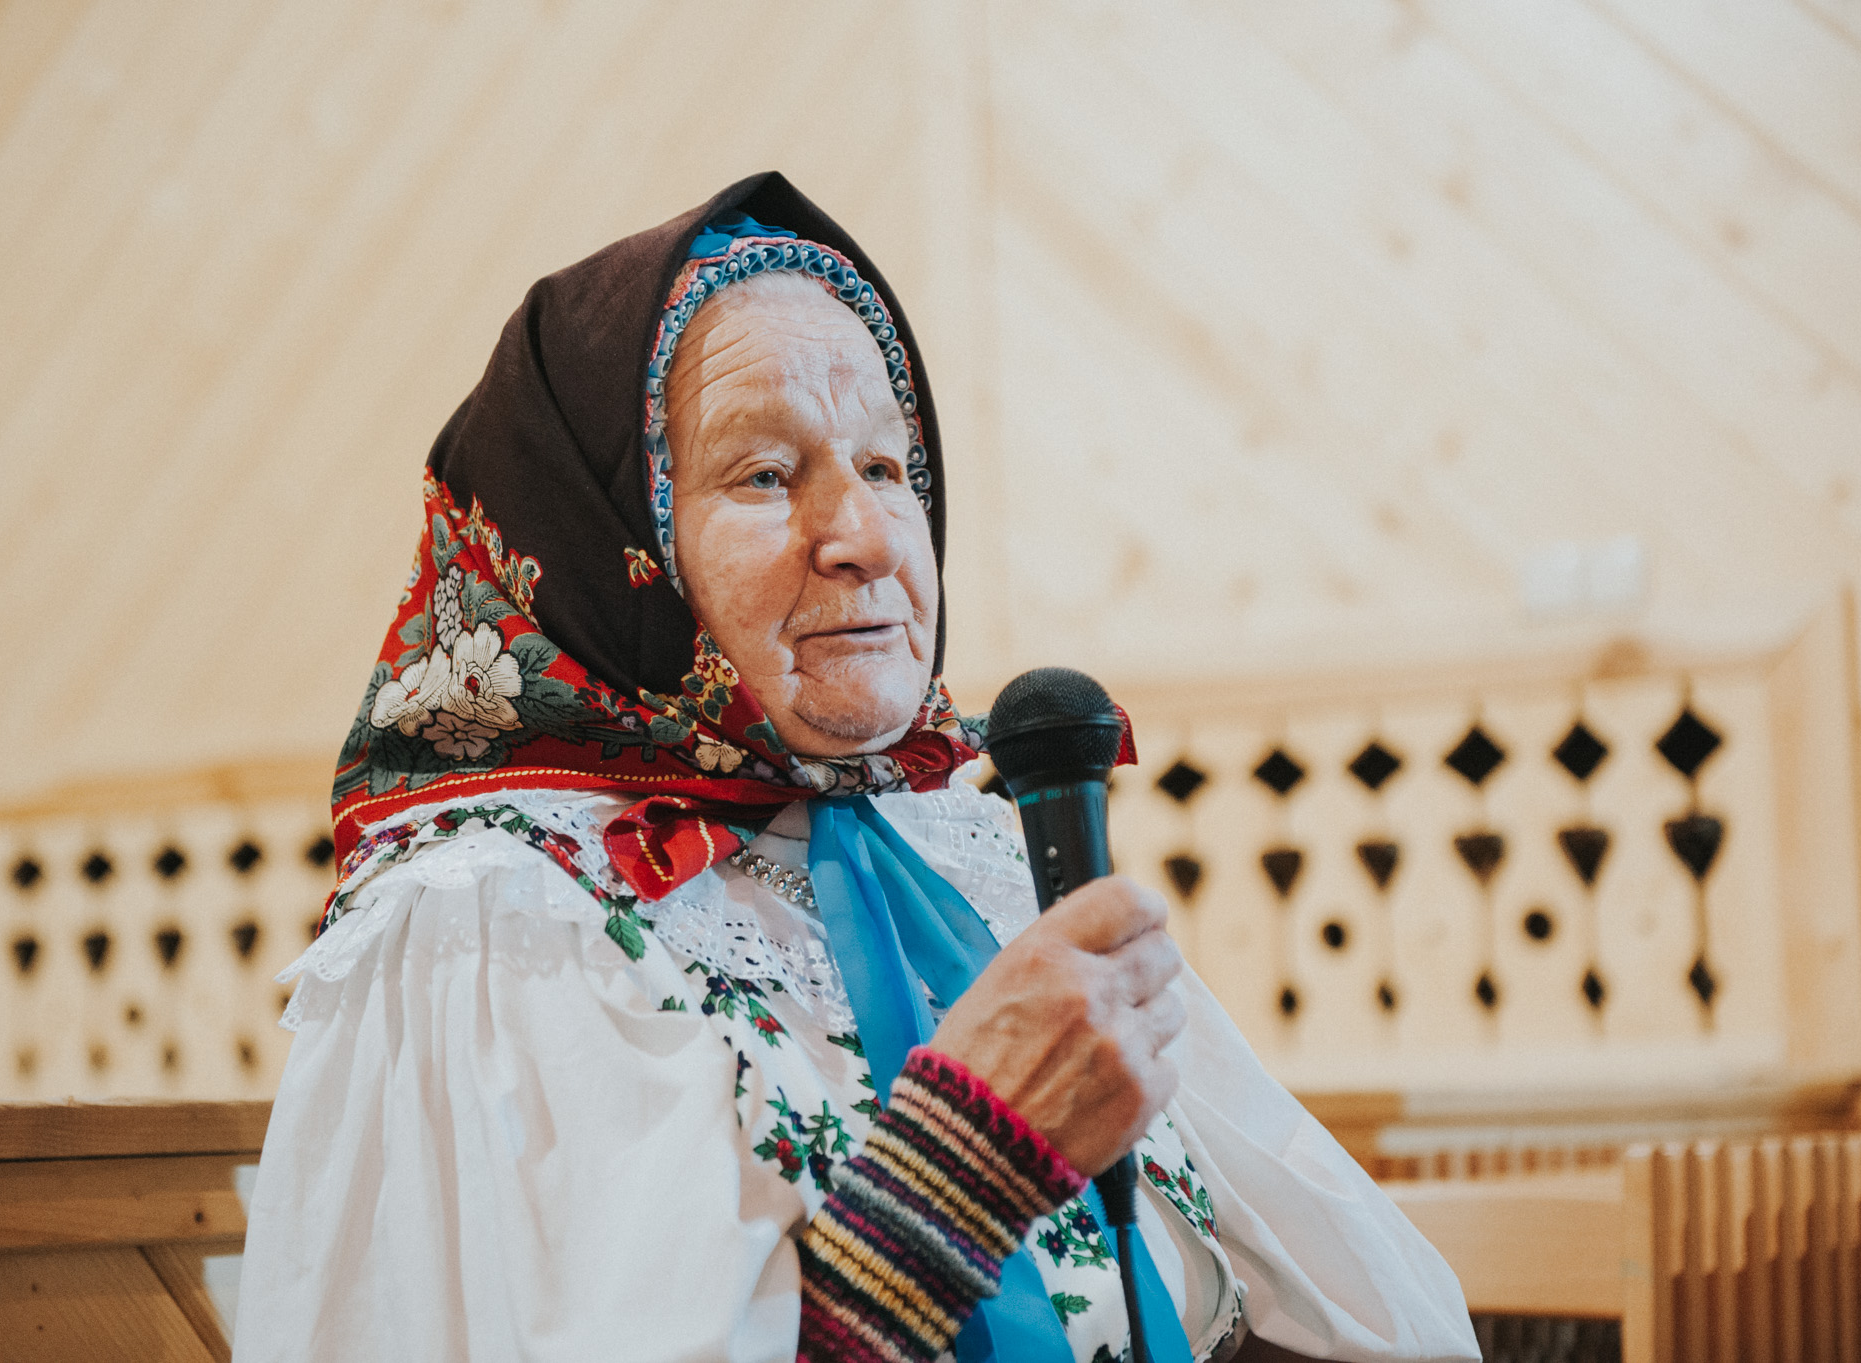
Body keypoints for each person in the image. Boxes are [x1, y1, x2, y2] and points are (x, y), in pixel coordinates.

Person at [234, 172, 1478, 1363]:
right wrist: (966, 1162)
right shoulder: (496, 928)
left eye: (885, 467)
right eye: (765, 475)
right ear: (595, 551)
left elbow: (1346, 1300)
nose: (867, 537)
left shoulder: (959, 850)